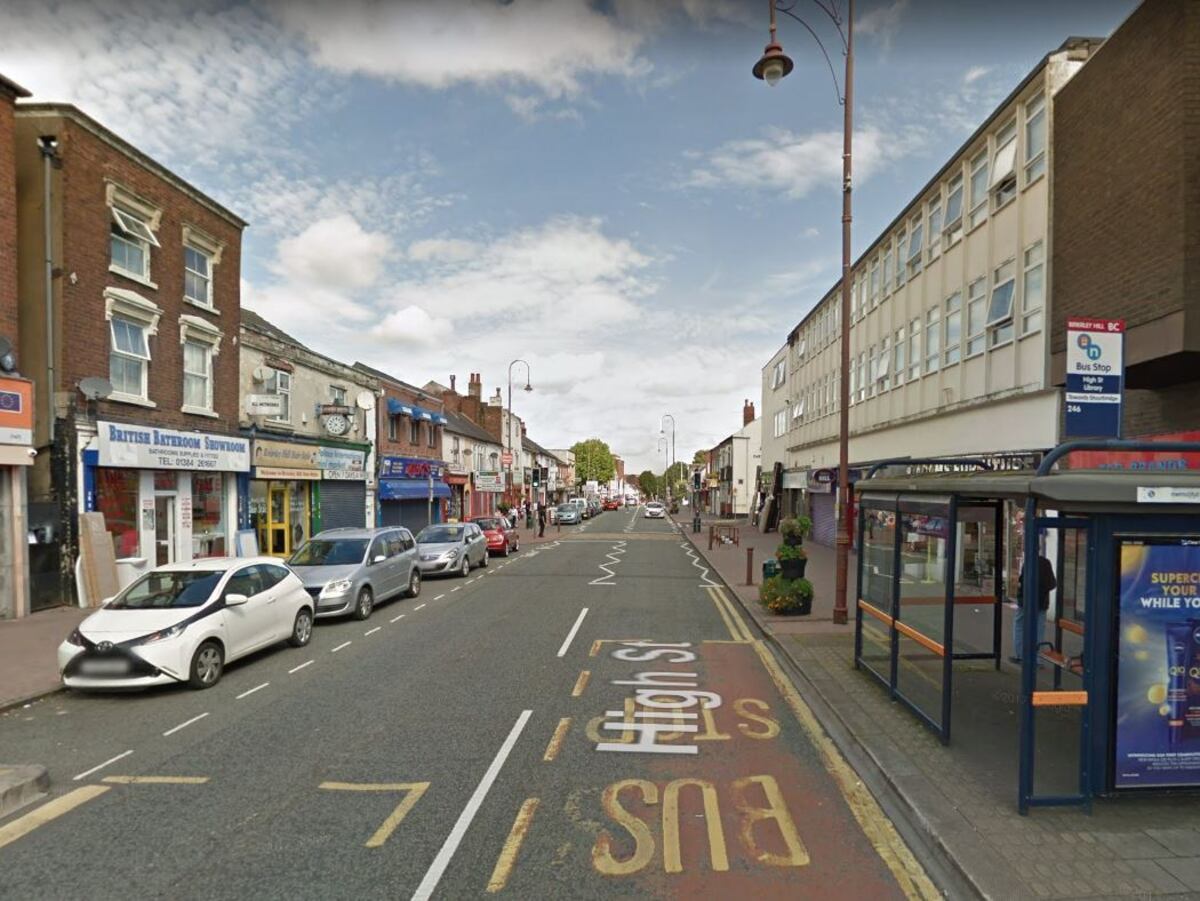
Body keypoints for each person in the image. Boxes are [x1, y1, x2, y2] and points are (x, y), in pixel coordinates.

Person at [1010, 552, 1056, 664]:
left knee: (1019, 625)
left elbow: (1023, 581)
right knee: (1039, 629)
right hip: (1042, 603)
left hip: (1026, 602)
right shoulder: (1046, 563)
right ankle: (1037, 658)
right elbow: (1052, 584)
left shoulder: (1028, 563)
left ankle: (1020, 655)